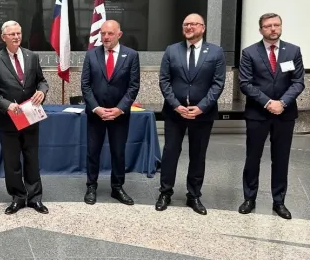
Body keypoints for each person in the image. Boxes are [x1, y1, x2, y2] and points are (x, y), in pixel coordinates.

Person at [157, 13, 226, 215]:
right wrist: (176, 105)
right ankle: (165, 192)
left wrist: (202, 107)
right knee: (170, 153)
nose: (189, 27)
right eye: (186, 24)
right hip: (174, 113)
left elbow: (218, 83)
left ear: (203, 27)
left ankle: (193, 195)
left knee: (198, 154)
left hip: (202, 114)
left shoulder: (215, 52)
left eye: (194, 24)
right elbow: (164, 80)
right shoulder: (172, 50)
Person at [238, 13, 305, 220]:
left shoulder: (293, 51)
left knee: (281, 158)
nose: (273, 29)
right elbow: (245, 83)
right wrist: (268, 103)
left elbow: (298, 82)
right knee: (253, 158)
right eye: (268, 26)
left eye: (276, 25)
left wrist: (282, 103)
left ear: (281, 27)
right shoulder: (249, 53)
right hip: (258, 113)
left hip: (284, 114)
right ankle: (249, 198)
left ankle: (279, 202)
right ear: (261, 30)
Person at [0, 21, 48, 214]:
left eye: (18, 33)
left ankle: (35, 198)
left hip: (30, 117)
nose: (16, 37)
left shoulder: (32, 56)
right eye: (11, 34)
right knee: (12, 162)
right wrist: (7, 105)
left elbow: (42, 81)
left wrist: (42, 92)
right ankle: (18, 198)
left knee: (32, 159)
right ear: (3, 37)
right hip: (9, 120)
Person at [81, 20, 140, 206]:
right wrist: (96, 108)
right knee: (93, 152)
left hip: (119, 115)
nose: (106, 37)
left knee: (118, 152)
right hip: (95, 114)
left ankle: (117, 187)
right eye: (103, 33)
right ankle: (91, 186)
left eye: (110, 34)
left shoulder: (131, 55)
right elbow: (85, 85)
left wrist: (119, 109)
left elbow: (133, 86)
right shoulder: (91, 55)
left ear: (119, 35)